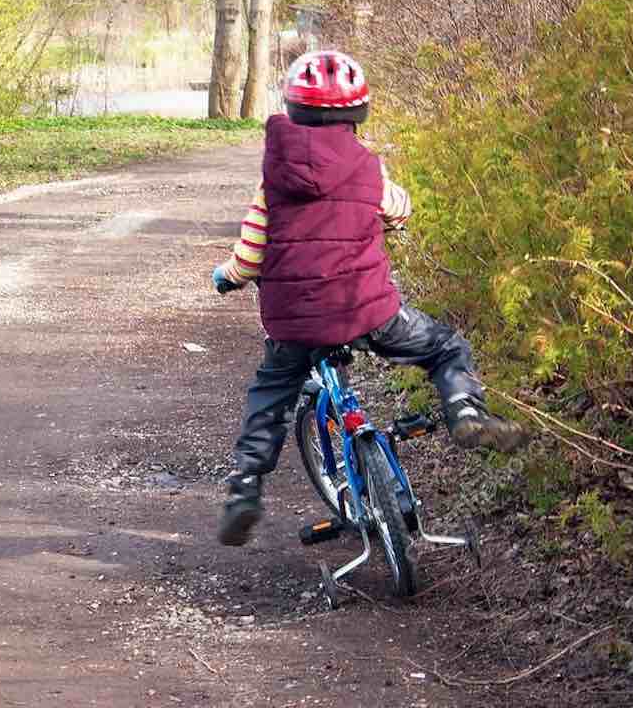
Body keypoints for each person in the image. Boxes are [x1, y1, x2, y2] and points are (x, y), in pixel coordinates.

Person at [211, 50, 526, 547]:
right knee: (444, 347)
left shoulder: (272, 182)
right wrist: (386, 221)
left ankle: (246, 486)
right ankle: (466, 413)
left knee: (270, 397)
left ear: (292, 110)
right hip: (367, 310)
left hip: (293, 323)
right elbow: (400, 209)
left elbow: (249, 258)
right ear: (359, 114)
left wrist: (225, 277)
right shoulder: (368, 171)